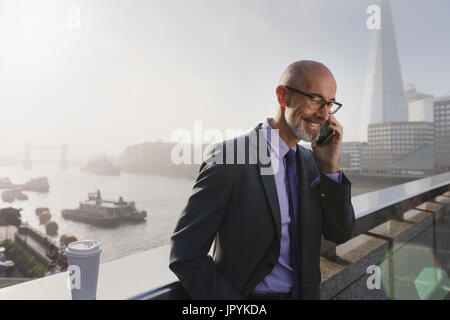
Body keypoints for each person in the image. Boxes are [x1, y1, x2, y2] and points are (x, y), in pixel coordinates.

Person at [169, 60, 356, 300]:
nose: (323, 113)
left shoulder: (313, 163)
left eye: (330, 104)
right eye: (315, 99)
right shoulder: (229, 159)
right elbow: (185, 252)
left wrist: (330, 167)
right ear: (282, 96)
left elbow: (341, 232)